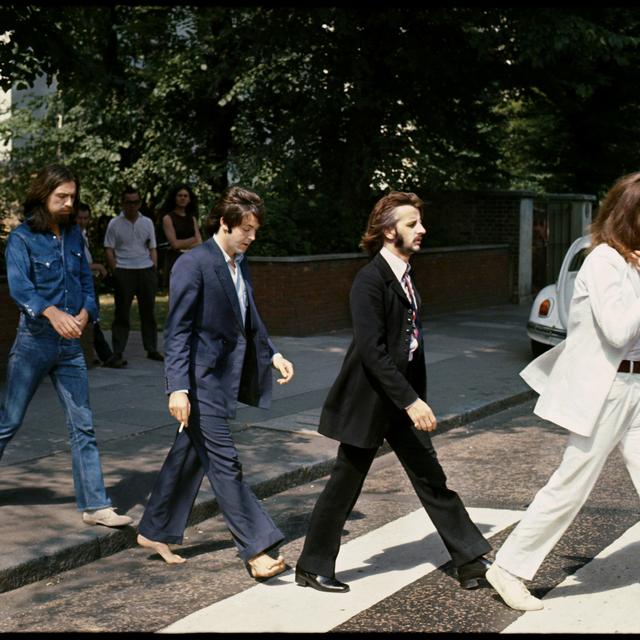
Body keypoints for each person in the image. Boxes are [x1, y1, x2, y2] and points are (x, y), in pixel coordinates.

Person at [295, 191, 491, 593]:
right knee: (344, 485)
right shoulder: (370, 281)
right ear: (388, 232)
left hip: (399, 401)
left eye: (419, 222)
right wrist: (411, 400)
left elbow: (409, 343)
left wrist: (412, 396)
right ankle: (312, 567)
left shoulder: (405, 273)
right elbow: (372, 352)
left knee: (431, 478)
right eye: (411, 224)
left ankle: (470, 560)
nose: (422, 230)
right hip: (369, 402)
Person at [486, 172, 640, 611]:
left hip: (638, 384)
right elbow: (617, 331)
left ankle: (510, 567)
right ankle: (509, 568)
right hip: (609, 389)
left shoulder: (633, 262)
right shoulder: (604, 260)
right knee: (572, 483)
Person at [137, 185, 295, 580]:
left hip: (224, 378)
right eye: (246, 229)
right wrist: (177, 387)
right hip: (199, 379)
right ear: (224, 223)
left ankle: (155, 529)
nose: (252, 237)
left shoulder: (237, 262)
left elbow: (248, 315)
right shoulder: (194, 263)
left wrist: (272, 354)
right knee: (225, 464)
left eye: (255, 230)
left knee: (190, 454)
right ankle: (257, 546)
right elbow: (178, 331)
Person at [0, 163, 132, 528]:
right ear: (44, 196)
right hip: (33, 344)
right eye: (62, 197)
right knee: (8, 421)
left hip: (70, 346)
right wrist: (53, 313)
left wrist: (87, 314)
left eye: (73, 197)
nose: (69, 204)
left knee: (82, 425)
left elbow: (87, 286)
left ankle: (95, 505)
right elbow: (20, 288)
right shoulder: (22, 238)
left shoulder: (75, 237)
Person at [103, 186, 164, 367]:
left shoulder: (147, 223)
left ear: (139, 203)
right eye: (128, 202)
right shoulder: (114, 223)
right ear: (122, 203)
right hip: (124, 269)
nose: (132, 206)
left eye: (136, 202)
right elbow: (109, 248)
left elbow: (152, 247)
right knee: (121, 313)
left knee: (149, 312)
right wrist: (116, 270)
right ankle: (118, 350)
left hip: (145, 269)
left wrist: (153, 268)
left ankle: (151, 348)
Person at [76, 201, 114, 365]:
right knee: (92, 316)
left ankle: (97, 354)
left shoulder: (83, 235)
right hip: (80, 281)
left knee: (93, 317)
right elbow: (77, 263)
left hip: (88, 278)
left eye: (86, 218)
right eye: (79, 218)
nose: (82, 222)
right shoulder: (73, 236)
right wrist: (97, 266)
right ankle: (106, 355)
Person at [159, 184, 202, 290]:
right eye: (180, 195)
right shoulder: (168, 218)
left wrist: (183, 244)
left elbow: (200, 242)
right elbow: (174, 244)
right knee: (176, 296)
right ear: (174, 198)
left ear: (189, 199)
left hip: (192, 261)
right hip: (175, 261)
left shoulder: (192, 219)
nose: (183, 198)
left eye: (185, 196)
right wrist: (192, 240)